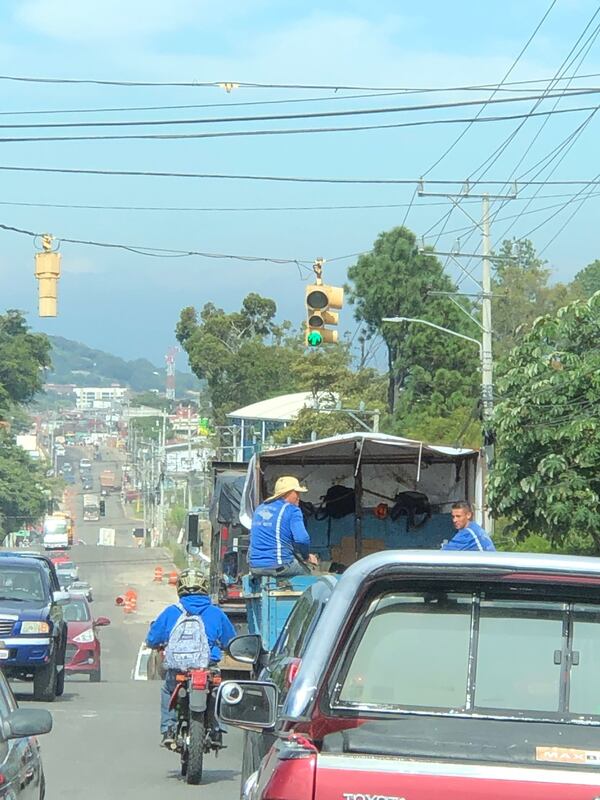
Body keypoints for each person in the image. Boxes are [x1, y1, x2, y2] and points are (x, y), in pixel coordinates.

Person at [146, 566, 236, 748]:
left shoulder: (171, 612)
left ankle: (169, 729)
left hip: (178, 670)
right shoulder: (216, 612)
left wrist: (156, 643)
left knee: (167, 691)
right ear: (204, 587)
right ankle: (217, 731)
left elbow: (153, 638)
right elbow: (230, 640)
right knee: (217, 693)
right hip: (207, 667)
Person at [249, 475, 318, 577]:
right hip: (279, 566)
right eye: (296, 493)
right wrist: (306, 556)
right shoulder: (292, 510)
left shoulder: (260, 508)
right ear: (287, 493)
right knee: (309, 574)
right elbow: (302, 539)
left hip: (255, 567)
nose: (299, 497)